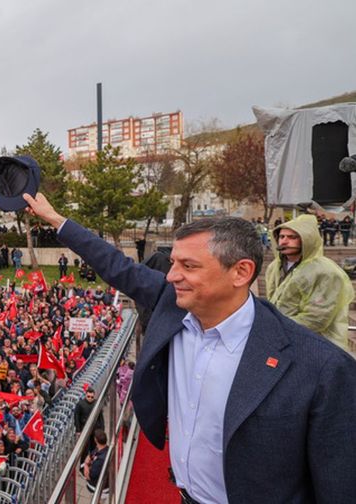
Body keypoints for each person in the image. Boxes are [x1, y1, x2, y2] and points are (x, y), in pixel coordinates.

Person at [22, 191, 356, 504]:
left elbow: (338, 486)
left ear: (241, 272)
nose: (171, 277)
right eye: (174, 264)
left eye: (189, 266)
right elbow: (115, 265)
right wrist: (55, 219)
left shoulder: (322, 368)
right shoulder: (172, 304)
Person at [265, 214, 354, 350]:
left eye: (292, 237)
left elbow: (317, 319)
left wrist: (275, 325)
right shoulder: (274, 267)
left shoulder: (326, 272)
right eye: (282, 237)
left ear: (308, 240)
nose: (284, 241)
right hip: (282, 342)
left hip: (317, 346)